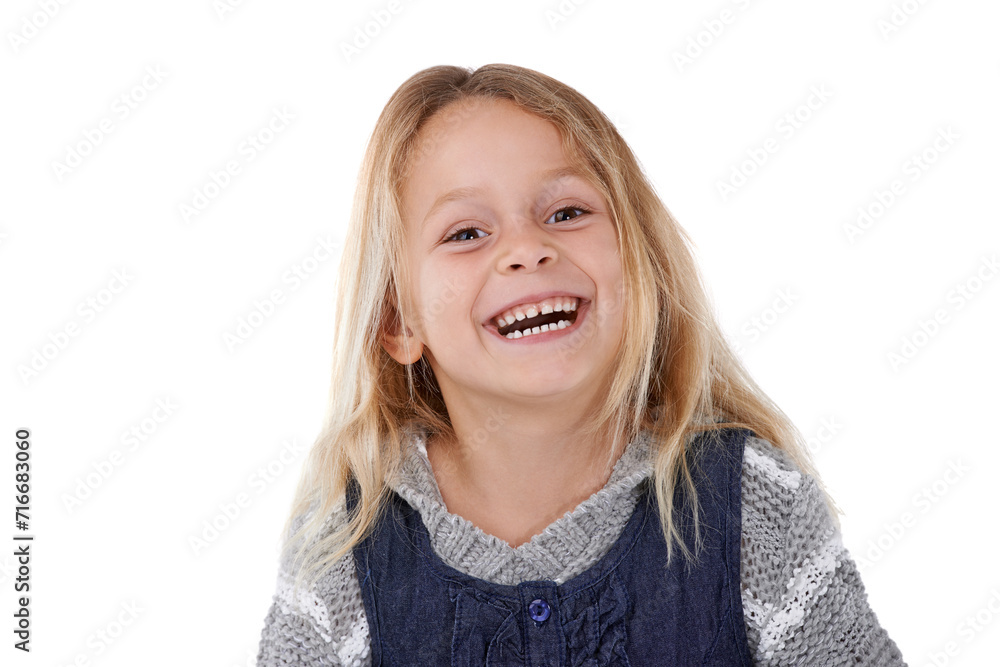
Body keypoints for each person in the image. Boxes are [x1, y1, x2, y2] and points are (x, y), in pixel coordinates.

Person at [256, 63, 907, 666]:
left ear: (641, 267)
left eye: (566, 212)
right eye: (466, 232)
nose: (527, 248)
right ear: (399, 321)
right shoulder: (344, 544)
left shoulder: (756, 502)